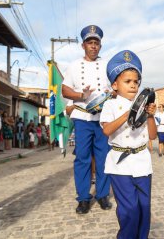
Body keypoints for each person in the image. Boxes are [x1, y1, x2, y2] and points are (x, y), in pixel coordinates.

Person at [100, 50, 156, 239]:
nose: (133, 85)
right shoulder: (110, 105)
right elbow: (107, 130)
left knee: (144, 207)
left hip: (142, 161)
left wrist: (150, 116)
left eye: (136, 82)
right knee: (129, 210)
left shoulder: (144, 106)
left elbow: (153, 136)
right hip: (120, 164)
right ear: (115, 85)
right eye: (127, 81)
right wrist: (128, 114)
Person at [61, 25, 112, 214]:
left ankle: (102, 194)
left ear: (100, 45)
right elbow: (64, 90)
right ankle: (83, 198)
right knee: (82, 158)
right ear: (83, 45)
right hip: (82, 117)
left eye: (96, 43)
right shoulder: (74, 66)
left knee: (103, 158)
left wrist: (111, 93)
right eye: (90, 43)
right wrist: (81, 96)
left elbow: (115, 86)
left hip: (103, 118)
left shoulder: (107, 65)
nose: (93, 46)